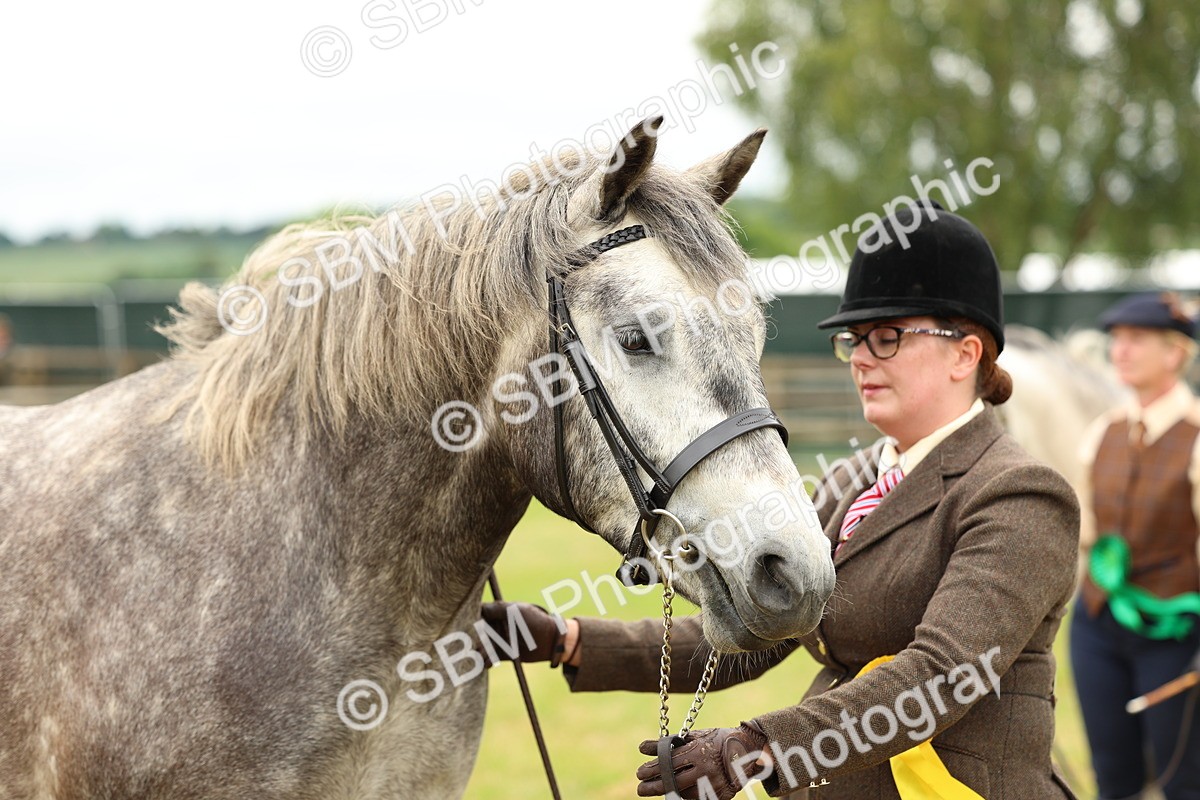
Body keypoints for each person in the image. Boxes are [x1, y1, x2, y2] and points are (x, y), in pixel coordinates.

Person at [483, 201, 1080, 799]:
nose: (863, 358)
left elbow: (942, 675)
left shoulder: (1020, 495)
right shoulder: (849, 483)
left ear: (965, 353)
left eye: (889, 337)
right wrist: (570, 639)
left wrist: (760, 747)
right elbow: (765, 628)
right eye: (855, 340)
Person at [1070, 292, 1200, 800]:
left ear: (1175, 353)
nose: (1120, 350)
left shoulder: (1195, 434)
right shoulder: (1103, 431)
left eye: (1136, 340)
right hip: (1097, 625)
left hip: (1174, 630)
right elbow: (1086, 530)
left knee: (1181, 778)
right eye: (1117, 340)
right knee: (1112, 775)